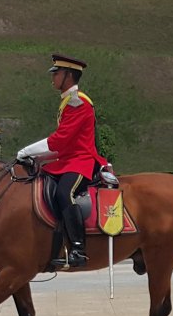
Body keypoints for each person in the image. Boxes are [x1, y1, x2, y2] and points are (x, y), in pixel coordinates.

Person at [17, 54, 106, 268]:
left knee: (64, 193)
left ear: (68, 75)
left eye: (56, 73)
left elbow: (60, 140)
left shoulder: (78, 102)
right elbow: (63, 145)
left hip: (81, 161)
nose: (53, 78)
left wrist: (26, 151)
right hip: (67, 160)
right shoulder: (67, 101)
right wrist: (36, 158)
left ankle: (78, 248)